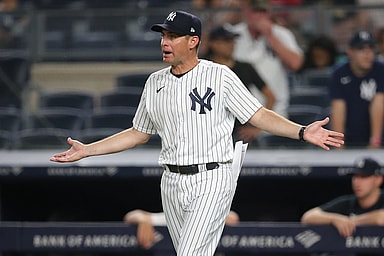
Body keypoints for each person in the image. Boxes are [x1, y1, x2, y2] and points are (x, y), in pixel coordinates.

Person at [50, 10, 344, 256]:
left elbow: (259, 114)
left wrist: (303, 131)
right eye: (163, 36)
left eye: (173, 36)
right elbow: (138, 133)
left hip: (212, 177)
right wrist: (88, 150)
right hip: (171, 182)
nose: (165, 42)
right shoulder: (155, 82)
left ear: (193, 41)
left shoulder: (219, 75)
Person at [232, 0, 304, 118]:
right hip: (239, 111)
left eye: (263, 12)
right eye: (256, 11)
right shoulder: (233, 34)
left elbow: (296, 64)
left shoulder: (281, 34)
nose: (260, 16)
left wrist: (270, 36)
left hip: (275, 111)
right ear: (246, 12)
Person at [206, 24, 275, 143]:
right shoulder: (203, 67)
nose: (231, 45)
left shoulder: (245, 68)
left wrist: (257, 128)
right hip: (208, 131)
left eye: (233, 41)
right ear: (213, 43)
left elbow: (270, 97)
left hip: (240, 132)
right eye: (226, 41)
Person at [301, 157, 384, 239]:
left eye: (363, 177)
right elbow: (308, 217)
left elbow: (380, 218)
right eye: (355, 177)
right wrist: (335, 219)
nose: (357, 182)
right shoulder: (348, 202)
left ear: (378, 180)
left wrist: (350, 221)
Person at [328, 30, 384, 148]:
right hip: (351, 137)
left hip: (380, 139)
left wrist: (375, 142)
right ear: (350, 52)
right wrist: (339, 144)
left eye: (371, 48)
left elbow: (379, 104)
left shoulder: (381, 70)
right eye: (361, 49)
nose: (367, 53)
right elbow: (338, 108)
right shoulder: (339, 73)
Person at [124, 209, 240, 249]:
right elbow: (131, 216)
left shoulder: (206, 215)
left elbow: (232, 218)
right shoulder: (170, 216)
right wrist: (143, 221)